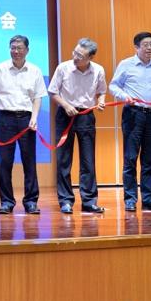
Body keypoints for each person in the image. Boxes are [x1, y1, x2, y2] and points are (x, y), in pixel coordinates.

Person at [0, 35, 47, 215]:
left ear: (27, 50)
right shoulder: (0, 68)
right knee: (5, 162)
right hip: (5, 119)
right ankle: (7, 202)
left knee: (29, 161)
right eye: (13, 48)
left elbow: (38, 97)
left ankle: (31, 202)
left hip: (26, 119)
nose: (16, 51)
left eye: (19, 48)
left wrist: (34, 117)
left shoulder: (35, 70)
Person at [110, 31, 151, 212]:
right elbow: (113, 85)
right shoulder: (126, 64)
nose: (149, 48)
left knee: (150, 158)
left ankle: (149, 198)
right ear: (136, 47)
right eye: (145, 44)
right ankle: (130, 199)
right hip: (133, 114)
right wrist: (124, 96)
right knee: (130, 158)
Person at [47, 38, 107, 214]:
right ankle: (65, 201)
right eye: (75, 53)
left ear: (91, 57)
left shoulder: (98, 70)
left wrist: (101, 101)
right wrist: (66, 105)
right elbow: (52, 92)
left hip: (86, 115)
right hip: (65, 115)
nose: (75, 57)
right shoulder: (63, 68)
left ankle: (89, 201)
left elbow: (102, 91)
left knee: (88, 161)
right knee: (63, 160)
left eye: (80, 56)